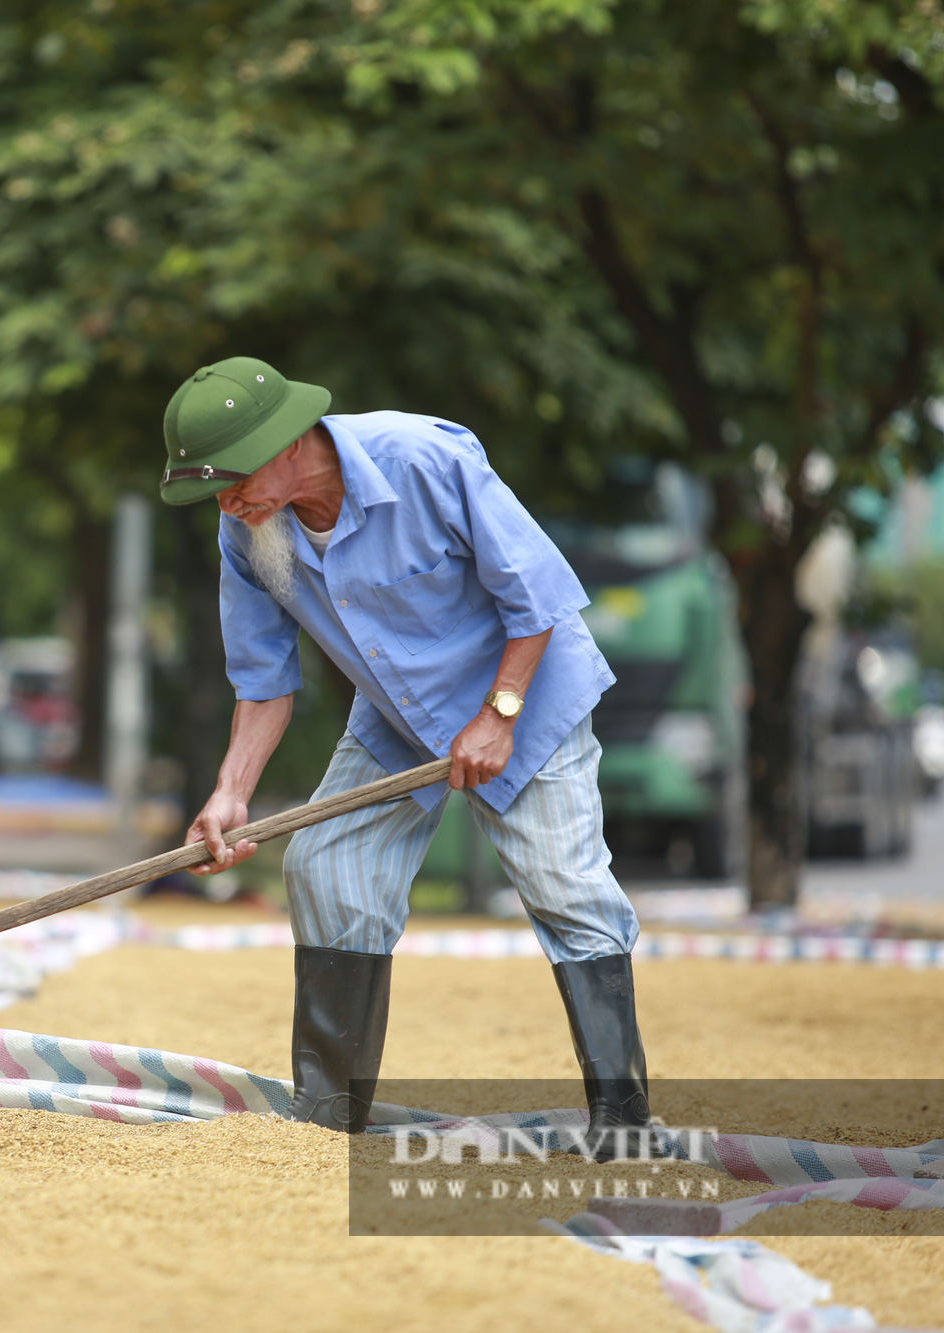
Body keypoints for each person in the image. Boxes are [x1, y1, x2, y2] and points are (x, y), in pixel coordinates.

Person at [161, 355, 648, 1140]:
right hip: (398, 718)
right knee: (323, 863)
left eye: (233, 477)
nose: (225, 499)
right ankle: (325, 1117)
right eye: (211, 487)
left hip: (529, 698)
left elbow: (538, 594)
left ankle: (624, 1123)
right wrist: (230, 794)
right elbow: (265, 681)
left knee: (568, 889)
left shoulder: (423, 458)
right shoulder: (247, 529)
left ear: (288, 442)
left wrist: (499, 713)